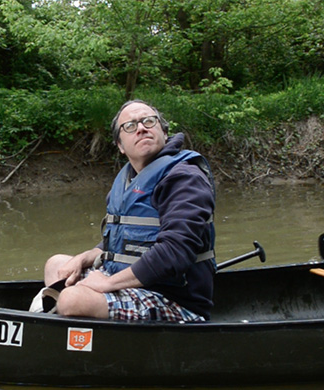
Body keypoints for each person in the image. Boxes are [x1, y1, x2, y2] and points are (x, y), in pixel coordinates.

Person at [43, 100, 216, 322]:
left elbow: (176, 252)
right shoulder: (128, 181)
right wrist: (82, 259)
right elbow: (118, 245)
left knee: (71, 300)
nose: (141, 128)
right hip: (129, 281)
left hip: (173, 298)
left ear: (163, 131)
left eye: (149, 121)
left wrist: (107, 283)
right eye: (130, 126)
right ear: (121, 145)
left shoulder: (184, 178)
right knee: (57, 265)